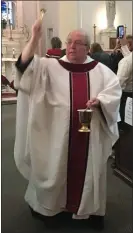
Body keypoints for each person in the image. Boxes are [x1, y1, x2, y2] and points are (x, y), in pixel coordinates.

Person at [14, 19, 122, 230]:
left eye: (78, 43)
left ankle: (88, 211)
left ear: (87, 48)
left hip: (90, 138)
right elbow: (23, 68)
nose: (72, 46)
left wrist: (100, 101)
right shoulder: (49, 67)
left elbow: (113, 92)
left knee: (89, 173)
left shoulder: (102, 72)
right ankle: (52, 209)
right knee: (55, 169)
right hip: (56, 136)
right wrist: (35, 37)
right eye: (69, 42)